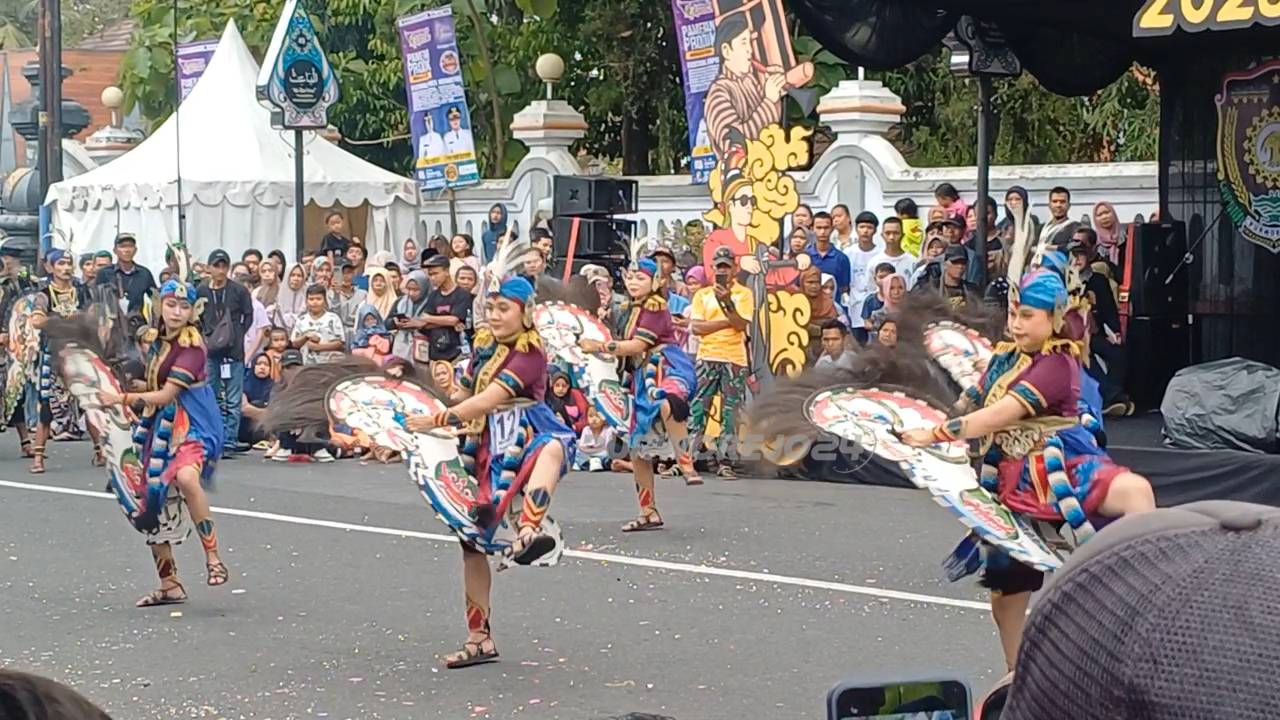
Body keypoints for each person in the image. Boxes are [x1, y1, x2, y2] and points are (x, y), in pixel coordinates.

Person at [900, 266, 1155, 671]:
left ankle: (1148, 599)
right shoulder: (1007, 357)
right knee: (1007, 595)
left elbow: (997, 415)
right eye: (1013, 314)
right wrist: (920, 412)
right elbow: (975, 400)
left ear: (1052, 320)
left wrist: (933, 433)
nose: (1015, 324)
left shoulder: (1058, 365)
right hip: (1012, 483)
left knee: (1136, 492)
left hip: (1061, 470)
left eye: (1026, 316)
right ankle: (1016, 676)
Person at [403, 274, 574, 669]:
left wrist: (439, 418)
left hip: (528, 429)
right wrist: (443, 384)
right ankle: (479, 637)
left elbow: (489, 399)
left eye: (504, 308)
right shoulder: (484, 346)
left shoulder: (530, 354)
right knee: (471, 543)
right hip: (485, 444)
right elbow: (468, 394)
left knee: (548, 451)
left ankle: (530, 530)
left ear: (525, 313)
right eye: (491, 307)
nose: (494, 316)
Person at [99, 277, 230, 605]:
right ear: (159, 305)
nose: (176, 311)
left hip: (193, 423)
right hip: (161, 424)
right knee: (151, 502)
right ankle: (169, 583)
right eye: (171, 304)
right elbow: (156, 388)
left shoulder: (192, 347)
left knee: (187, 475)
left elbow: (169, 393)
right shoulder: (159, 341)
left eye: (184, 306)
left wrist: (119, 398)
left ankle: (213, 557)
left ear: (193, 311)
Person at [579, 254, 698, 530]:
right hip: (643, 376)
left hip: (667, 367)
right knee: (637, 448)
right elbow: (622, 345)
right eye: (630, 277)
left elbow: (635, 346)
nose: (633, 282)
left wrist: (597, 346)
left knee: (670, 401)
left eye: (640, 277)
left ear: (655, 281)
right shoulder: (629, 309)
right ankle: (648, 512)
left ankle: (686, 462)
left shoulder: (655, 308)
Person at [688, 246, 753, 479]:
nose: (723, 270)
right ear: (713, 268)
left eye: (727, 266)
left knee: (731, 411)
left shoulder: (744, 293)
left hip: (734, 358)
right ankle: (689, 458)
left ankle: (726, 460)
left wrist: (728, 304)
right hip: (707, 356)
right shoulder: (702, 295)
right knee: (698, 408)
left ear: (734, 268)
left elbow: (741, 324)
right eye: (719, 266)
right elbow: (697, 327)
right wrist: (726, 322)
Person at [28, 250, 95, 473]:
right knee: (46, 406)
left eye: (69, 263)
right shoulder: (44, 294)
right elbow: (37, 321)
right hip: (53, 354)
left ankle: (100, 450)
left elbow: (93, 315)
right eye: (61, 264)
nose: (66, 268)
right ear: (50, 267)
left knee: (89, 402)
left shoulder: (81, 291)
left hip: (78, 352)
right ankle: (38, 457)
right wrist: (64, 320)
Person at [702, 11, 787, 159]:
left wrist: (776, 95)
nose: (750, 50)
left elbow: (771, 126)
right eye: (743, 43)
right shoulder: (718, 93)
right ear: (726, 51)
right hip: (737, 178)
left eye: (749, 42)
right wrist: (768, 102)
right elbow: (735, 144)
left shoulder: (750, 81)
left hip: (764, 171)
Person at [197, 250, 254, 459]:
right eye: (216, 265)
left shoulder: (238, 290)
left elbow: (249, 317)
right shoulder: (202, 290)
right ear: (210, 268)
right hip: (211, 351)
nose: (220, 270)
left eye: (224, 266)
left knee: (232, 398)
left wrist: (236, 336)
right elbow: (196, 317)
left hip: (233, 351)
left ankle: (229, 439)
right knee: (212, 395)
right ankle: (215, 438)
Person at [420, 254, 470, 363]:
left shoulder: (462, 294)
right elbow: (424, 320)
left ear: (446, 271)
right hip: (435, 354)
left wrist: (431, 318)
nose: (432, 278)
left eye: (436, 273)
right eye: (430, 275)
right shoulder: (433, 295)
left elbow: (455, 319)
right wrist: (447, 321)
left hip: (457, 353)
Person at [95, 233, 156, 314]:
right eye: (122, 246)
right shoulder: (105, 273)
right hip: (112, 323)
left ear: (135, 250)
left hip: (139, 322)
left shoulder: (144, 274)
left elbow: (154, 300)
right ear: (115, 250)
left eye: (130, 246)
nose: (127, 250)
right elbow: (97, 301)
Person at [291, 284, 346, 365]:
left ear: (325, 301)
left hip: (330, 364)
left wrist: (318, 348)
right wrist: (305, 336)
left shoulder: (333, 318)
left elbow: (340, 343)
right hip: (307, 364)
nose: (315, 302)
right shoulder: (301, 320)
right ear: (306, 301)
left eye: (318, 299)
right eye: (311, 299)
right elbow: (294, 343)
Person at [861, 217, 917, 295]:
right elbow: (870, 290)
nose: (891, 237)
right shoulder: (874, 262)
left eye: (896, 233)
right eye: (888, 233)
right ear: (882, 235)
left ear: (903, 235)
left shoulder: (913, 262)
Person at [917, 245, 981, 310]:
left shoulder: (972, 290)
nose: (960, 266)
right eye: (955, 262)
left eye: (963, 263)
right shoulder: (931, 289)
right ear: (945, 264)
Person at [805, 211, 852, 299]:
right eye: (818, 228)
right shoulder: (804, 257)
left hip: (833, 308)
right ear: (812, 229)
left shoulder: (841, 258)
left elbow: (844, 289)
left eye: (826, 228)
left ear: (832, 228)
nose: (822, 231)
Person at [844, 211, 882, 316]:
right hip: (854, 305)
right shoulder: (848, 253)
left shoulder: (880, 254)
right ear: (856, 229)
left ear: (875, 230)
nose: (865, 231)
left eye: (869, 228)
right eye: (862, 227)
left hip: (875, 305)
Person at [390, 270, 430, 362]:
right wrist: (395, 322)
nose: (411, 293)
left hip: (422, 346)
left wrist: (419, 324)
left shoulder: (431, 302)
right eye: (409, 289)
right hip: (401, 346)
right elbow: (387, 322)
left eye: (416, 290)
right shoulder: (401, 301)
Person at [239, 352, 275, 449]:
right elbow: (244, 409)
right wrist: (266, 413)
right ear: (253, 366)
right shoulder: (243, 384)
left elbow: (277, 410)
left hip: (266, 430)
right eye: (259, 364)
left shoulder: (275, 386)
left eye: (266, 365)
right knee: (258, 404)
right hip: (245, 429)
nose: (262, 367)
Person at [857, 263, 896, 346]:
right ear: (875, 279)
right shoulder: (870, 300)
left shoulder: (898, 298)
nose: (884, 280)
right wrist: (879, 329)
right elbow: (866, 322)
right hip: (874, 340)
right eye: (881, 277)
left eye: (887, 277)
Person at [547, 367, 589, 434]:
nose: (560, 389)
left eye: (564, 386)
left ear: (568, 386)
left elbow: (586, 415)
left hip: (577, 432)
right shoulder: (548, 398)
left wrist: (576, 427)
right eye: (557, 385)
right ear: (552, 386)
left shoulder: (575, 394)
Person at [575, 408, 615, 472]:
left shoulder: (608, 429)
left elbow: (608, 446)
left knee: (609, 456)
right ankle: (585, 462)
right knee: (577, 448)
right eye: (590, 416)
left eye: (597, 416)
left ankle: (592, 463)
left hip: (602, 453)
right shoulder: (587, 429)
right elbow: (582, 446)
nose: (594, 419)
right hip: (588, 453)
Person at [1092, 201, 1126, 266]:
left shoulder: (1125, 235)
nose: (1104, 217)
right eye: (1100, 215)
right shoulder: (1094, 241)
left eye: (1107, 212)